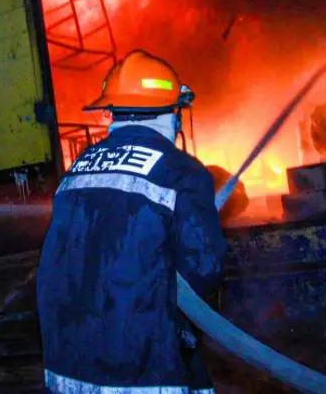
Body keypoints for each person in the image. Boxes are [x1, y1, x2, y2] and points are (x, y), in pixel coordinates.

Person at [37, 50, 229, 393]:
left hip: (65, 368)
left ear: (112, 112)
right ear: (172, 113)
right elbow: (205, 269)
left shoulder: (78, 166)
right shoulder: (182, 172)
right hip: (138, 369)